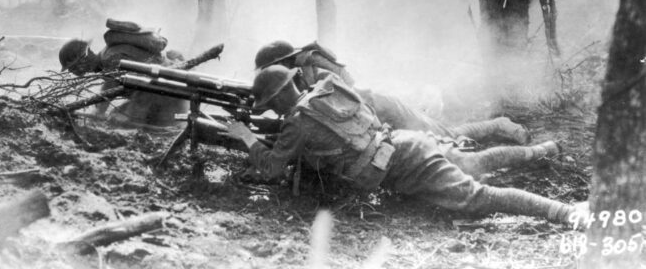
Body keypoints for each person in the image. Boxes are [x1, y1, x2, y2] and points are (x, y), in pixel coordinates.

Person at [224, 66, 579, 225]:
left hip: (402, 164)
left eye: (270, 105)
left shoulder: (297, 124)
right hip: (405, 143)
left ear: (274, 101)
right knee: (477, 162)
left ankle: (568, 213)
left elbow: (271, 167)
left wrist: (246, 137)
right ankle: (543, 150)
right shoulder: (326, 87)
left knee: (476, 198)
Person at [253, 40, 530, 145]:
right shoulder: (298, 76)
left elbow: (347, 92)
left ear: (283, 63)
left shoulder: (312, 65)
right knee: (438, 138)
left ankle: (500, 124)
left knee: (446, 134)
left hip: (380, 107)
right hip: (372, 118)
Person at [58, 20, 186, 124]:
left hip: (171, 93)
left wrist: (98, 113)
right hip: (160, 91)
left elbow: (109, 87)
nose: (74, 73)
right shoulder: (106, 57)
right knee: (116, 116)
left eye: (73, 68)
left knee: (123, 123)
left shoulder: (110, 58)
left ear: (82, 60)